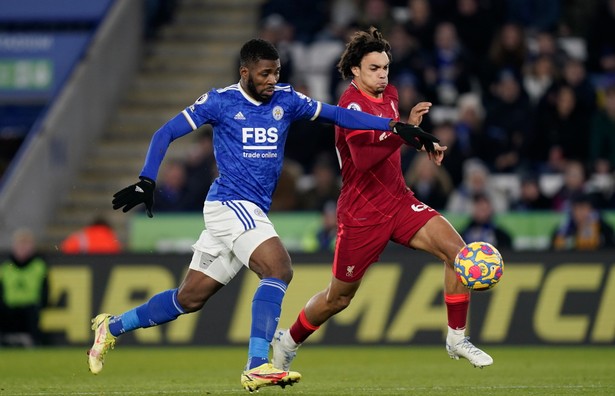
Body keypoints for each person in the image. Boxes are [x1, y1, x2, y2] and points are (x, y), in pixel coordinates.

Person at [87, 38, 439, 393]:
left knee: (189, 298)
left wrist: (392, 127)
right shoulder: (220, 101)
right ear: (245, 73)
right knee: (278, 268)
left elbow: (338, 114)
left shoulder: (287, 100)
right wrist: (147, 179)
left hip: (248, 209)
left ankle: (111, 327)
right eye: (265, 73)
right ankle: (257, 364)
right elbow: (165, 133)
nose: (272, 80)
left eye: (277, 72)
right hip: (229, 204)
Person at [271, 27, 494, 377]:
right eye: (374, 68)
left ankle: (456, 337)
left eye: (386, 68)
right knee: (338, 299)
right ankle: (288, 341)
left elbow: (394, 137)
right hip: (361, 214)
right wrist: (402, 130)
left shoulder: (389, 94)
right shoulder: (349, 105)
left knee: (459, 254)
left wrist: (420, 141)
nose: (382, 75)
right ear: (356, 70)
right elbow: (362, 159)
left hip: (399, 201)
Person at [0, 228, 49, 347]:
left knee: (32, 314)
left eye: (26, 244)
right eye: (20, 244)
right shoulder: (5, 268)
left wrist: (41, 306)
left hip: (30, 310)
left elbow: (45, 291)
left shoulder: (39, 266)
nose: (23, 248)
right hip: (8, 310)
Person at [551, 193, 615, 250]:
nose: (580, 213)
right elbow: (552, 251)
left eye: (584, 209)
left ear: (591, 210)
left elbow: (610, 249)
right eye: (577, 209)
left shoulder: (603, 228)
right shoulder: (562, 230)